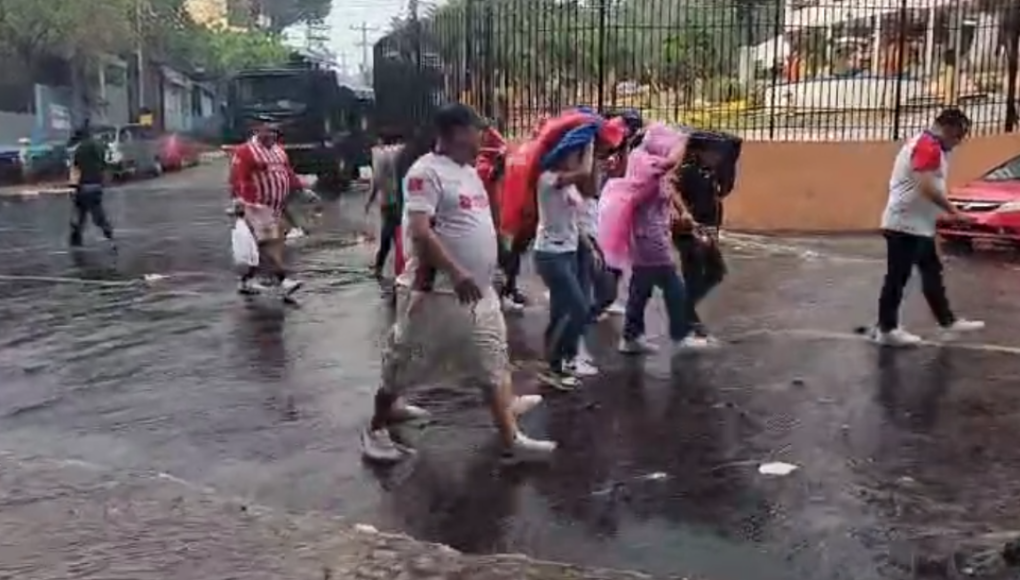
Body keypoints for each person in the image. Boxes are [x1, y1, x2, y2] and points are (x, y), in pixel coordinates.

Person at [361, 103, 555, 464]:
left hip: (477, 291)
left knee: (492, 357)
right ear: (456, 132)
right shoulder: (425, 172)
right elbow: (420, 232)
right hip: (437, 291)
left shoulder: (468, 172)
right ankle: (376, 426)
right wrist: (456, 272)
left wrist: (494, 257)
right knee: (404, 361)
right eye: (477, 128)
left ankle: (510, 437)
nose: (483, 134)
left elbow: (474, 222)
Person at [871, 107, 984, 346]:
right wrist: (954, 212)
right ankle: (887, 329)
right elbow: (925, 186)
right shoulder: (927, 146)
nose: (959, 142)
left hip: (918, 225)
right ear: (949, 128)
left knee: (931, 271)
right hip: (904, 224)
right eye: (959, 136)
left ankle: (947, 321)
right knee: (897, 277)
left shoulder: (931, 146)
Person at [617, 125, 712, 354]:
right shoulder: (650, 170)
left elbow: (663, 196)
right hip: (650, 240)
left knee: (641, 287)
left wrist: (681, 216)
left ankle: (631, 336)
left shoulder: (646, 168)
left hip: (646, 236)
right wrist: (683, 141)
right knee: (674, 288)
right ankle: (679, 334)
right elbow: (668, 168)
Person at [533, 124, 603, 387]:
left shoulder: (569, 185)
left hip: (569, 252)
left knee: (561, 310)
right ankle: (555, 363)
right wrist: (590, 143)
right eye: (574, 153)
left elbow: (574, 220)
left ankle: (554, 363)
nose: (577, 158)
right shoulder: (548, 179)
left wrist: (590, 247)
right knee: (578, 308)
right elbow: (584, 172)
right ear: (562, 155)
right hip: (550, 254)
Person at [229, 118, 306, 298]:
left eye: (273, 131)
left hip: (276, 207)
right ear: (256, 131)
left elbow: (288, 172)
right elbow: (240, 178)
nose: (271, 134)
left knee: (259, 247)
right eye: (267, 131)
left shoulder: (279, 151)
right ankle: (283, 281)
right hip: (257, 207)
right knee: (268, 245)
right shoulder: (246, 151)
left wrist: (301, 190)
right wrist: (243, 201)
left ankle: (246, 281)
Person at [671, 138, 728, 342]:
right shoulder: (688, 172)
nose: (718, 157)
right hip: (689, 232)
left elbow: (719, 197)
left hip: (707, 231)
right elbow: (672, 193)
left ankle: (684, 309)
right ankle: (688, 319)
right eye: (714, 153)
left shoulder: (712, 173)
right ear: (701, 152)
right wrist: (690, 221)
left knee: (717, 271)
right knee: (693, 275)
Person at [365, 131, 405, 279]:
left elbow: (377, 179)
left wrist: (370, 200)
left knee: (387, 236)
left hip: (389, 201)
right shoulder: (404, 151)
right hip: (403, 201)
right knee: (399, 236)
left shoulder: (380, 154)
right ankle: (399, 266)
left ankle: (380, 268)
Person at [68, 124, 115, 248]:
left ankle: (76, 240)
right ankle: (108, 232)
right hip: (96, 185)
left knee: (80, 213)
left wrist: (73, 186)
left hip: (83, 186)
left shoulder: (79, 150)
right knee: (97, 212)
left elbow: (75, 168)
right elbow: (105, 164)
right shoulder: (99, 146)